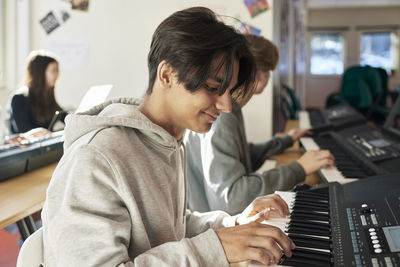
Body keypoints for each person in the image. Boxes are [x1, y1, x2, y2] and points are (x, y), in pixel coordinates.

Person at [41, 7, 296, 266]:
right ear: (166, 75)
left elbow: (170, 228)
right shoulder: (96, 157)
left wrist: (232, 223)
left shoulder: (168, 142)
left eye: (228, 92)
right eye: (212, 87)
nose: (226, 106)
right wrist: (215, 248)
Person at [184, 34, 335, 215]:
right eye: (268, 70)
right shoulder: (223, 115)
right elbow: (233, 198)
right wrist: (299, 168)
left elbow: (236, 157)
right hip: (218, 224)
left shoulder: (229, 109)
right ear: (259, 75)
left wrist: (283, 141)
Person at [7, 50, 66, 134]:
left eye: (57, 70)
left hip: (45, 144)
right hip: (27, 146)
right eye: (53, 70)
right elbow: (24, 132)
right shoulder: (19, 99)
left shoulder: (46, 96)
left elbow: (64, 116)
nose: (57, 74)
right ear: (40, 73)